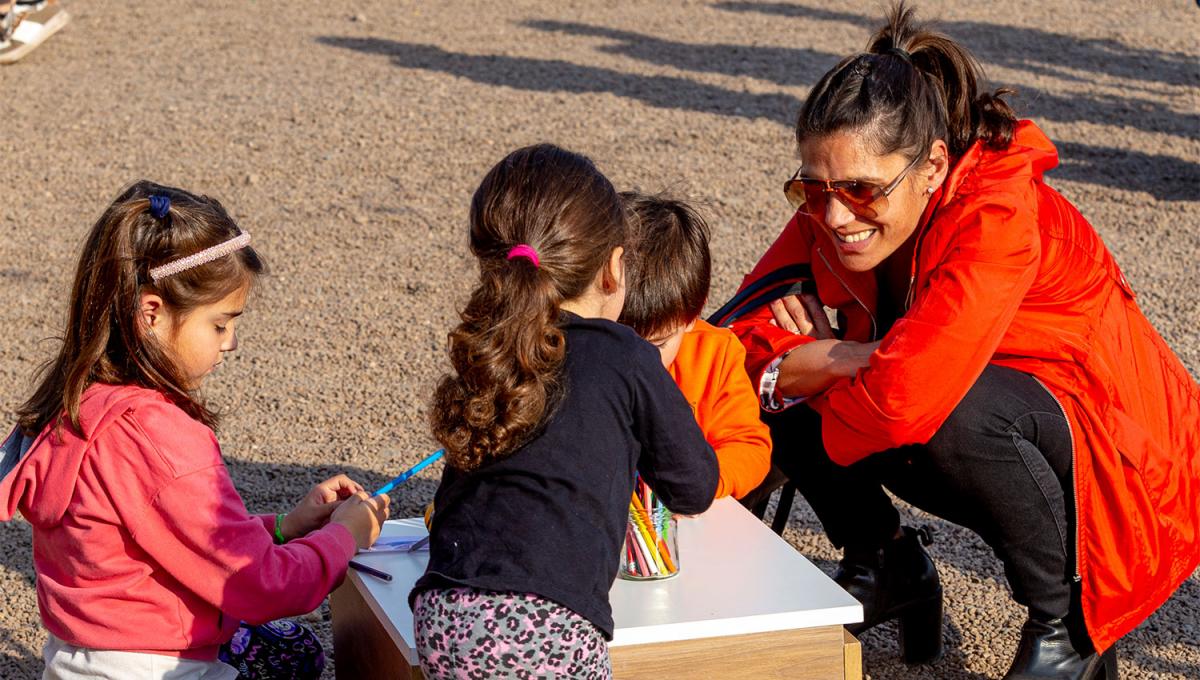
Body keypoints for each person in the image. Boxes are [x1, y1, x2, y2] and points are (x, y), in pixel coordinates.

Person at [713, 3, 1199, 678]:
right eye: (812, 188)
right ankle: (883, 561)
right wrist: (830, 360)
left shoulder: (998, 210)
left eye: (858, 189)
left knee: (948, 412)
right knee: (778, 395)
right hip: (982, 407)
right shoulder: (838, 206)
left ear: (934, 166)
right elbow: (719, 347)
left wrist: (809, 372)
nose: (831, 215)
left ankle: (1069, 626)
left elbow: (906, 399)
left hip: (1119, 447)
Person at [0, 181, 390, 679]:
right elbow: (261, 585)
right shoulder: (157, 435)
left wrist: (283, 527)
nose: (230, 344)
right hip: (162, 665)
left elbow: (157, 537)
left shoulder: (78, 403)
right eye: (220, 324)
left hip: (84, 660)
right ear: (152, 312)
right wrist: (344, 537)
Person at [410, 144, 718, 679]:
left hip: (443, 610)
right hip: (546, 623)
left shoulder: (491, 354)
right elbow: (694, 486)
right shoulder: (625, 354)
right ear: (615, 269)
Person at [617, 191, 771, 500]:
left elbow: (749, 447)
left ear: (692, 315)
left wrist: (704, 481)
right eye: (621, 341)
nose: (639, 361)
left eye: (657, 344)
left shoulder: (715, 355)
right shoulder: (580, 341)